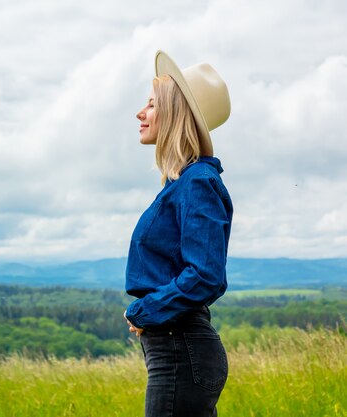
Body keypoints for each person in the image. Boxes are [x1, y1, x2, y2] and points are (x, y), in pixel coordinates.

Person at [122, 50, 233, 417]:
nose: (141, 113)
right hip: (176, 350)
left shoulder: (197, 183)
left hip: (180, 350)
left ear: (174, 114)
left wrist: (144, 310)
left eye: (151, 105)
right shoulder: (183, 183)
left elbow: (205, 275)